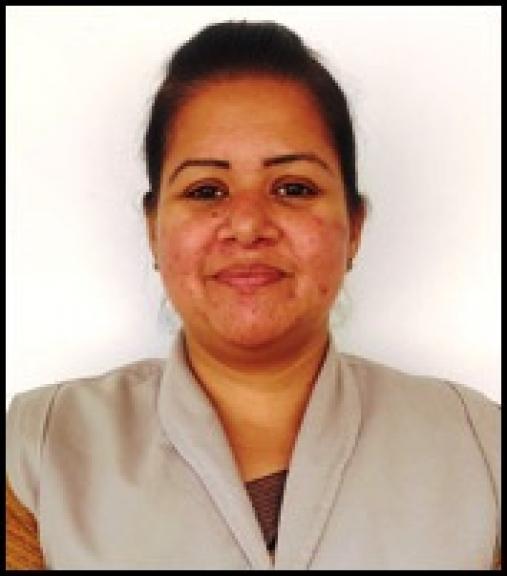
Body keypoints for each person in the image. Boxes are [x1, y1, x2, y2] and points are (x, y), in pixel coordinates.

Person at [6, 21, 500, 570]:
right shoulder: (36, 456)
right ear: (153, 230)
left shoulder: (481, 450)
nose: (246, 226)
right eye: (206, 191)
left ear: (355, 227)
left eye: (293, 188)